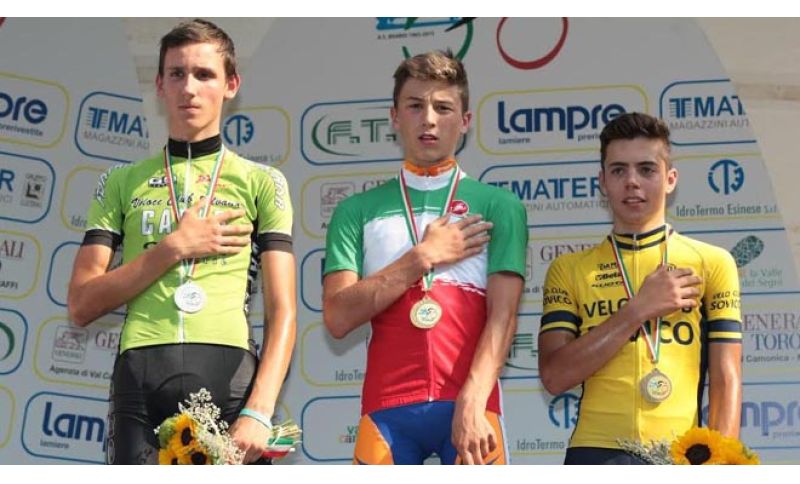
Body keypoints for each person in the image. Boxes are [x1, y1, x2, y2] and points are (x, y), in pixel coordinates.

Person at [67, 19, 296, 465]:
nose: (189, 88)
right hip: (140, 384)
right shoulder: (120, 182)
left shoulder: (262, 181)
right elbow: (81, 303)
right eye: (177, 73)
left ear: (231, 85)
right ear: (159, 84)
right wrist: (173, 248)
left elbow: (283, 310)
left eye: (204, 74)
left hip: (230, 383)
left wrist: (260, 410)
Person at [322, 50, 527, 465]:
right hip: (386, 409)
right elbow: (338, 317)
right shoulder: (355, 211)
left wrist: (472, 401)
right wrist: (421, 257)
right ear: (394, 117)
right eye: (415, 106)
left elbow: (503, 317)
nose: (428, 119)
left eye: (443, 108)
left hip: (471, 404)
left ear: (465, 121)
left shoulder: (499, 205)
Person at [538, 112, 743, 465]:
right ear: (602, 181)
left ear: (670, 179)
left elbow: (727, 377)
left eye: (646, 169)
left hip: (681, 451)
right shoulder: (569, 269)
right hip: (595, 453)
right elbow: (555, 377)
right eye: (619, 171)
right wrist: (637, 310)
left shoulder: (712, 262)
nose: (632, 182)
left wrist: (720, 462)